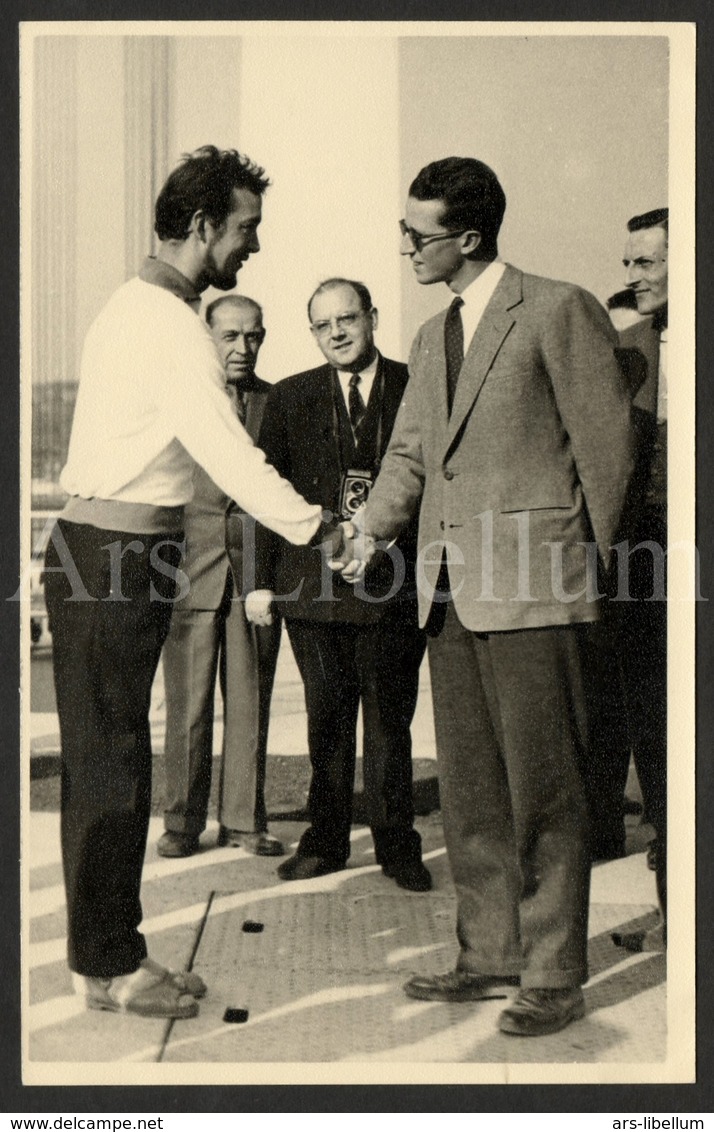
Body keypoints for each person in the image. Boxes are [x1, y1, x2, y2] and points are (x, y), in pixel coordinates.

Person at [43, 146, 346, 1020]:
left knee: (114, 761)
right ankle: (109, 966)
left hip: (115, 551)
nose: (252, 245)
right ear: (205, 225)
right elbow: (230, 454)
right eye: (246, 228)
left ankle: (108, 953)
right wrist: (321, 526)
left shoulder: (136, 306)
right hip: (112, 557)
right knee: (112, 768)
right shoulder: (171, 325)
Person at [339, 157, 634, 1036]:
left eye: (417, 237)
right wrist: (368, 533)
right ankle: (489, 953)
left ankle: (553, 971)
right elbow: (411, 456)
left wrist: (583, 571)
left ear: (469, 238)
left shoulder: (557, 307)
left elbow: (608, 449)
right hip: (448, 593)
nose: (406, 250)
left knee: (548, 791)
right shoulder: (432, 336)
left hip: (540, 593)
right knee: (470, 793)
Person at [246, 278, 430, 892]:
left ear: (372, 317)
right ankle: (324, 842)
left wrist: (388, 546)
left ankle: (397, 846)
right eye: (323, 325)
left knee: (389, 724)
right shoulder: (292, 397)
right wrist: (258, 583)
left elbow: (431, 484)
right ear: (313, 333)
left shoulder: (414, 386)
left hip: (394, 585)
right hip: (314, 592)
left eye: (348, 318)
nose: (338, 333)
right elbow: (262, 497)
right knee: (326, 722)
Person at [158, 294, 284, 860]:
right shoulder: (180, 401)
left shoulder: (278, 402)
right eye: (230, 336)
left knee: (251, 702)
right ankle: (181, 823)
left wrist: (273, 576)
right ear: (207, 337)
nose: (242, 347)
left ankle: (242, 821)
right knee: (186, 707)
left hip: (258, 576)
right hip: (188, 572)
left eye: (252, 336)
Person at [610, 208, 668, 953]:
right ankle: (671, 907)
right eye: (627, 264)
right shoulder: (624, 352)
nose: (632, 277)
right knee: (654, 739)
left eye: (648, 262)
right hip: (644, 572)